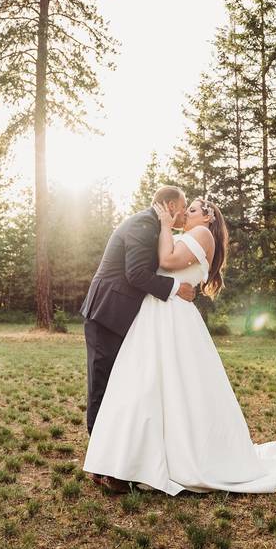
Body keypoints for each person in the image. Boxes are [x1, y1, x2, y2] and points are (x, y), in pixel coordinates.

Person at [82, 194, 276, 495]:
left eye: (192, 210)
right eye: (185, 208)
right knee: (135, 386)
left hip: (169, 319)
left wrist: (165, 228)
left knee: (160, 387)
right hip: (145, 316)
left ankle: (129, 462)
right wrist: (175, 279)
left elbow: (165, 261)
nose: (185, 214)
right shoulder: (160, 228)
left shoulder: (200, 234)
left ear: (208, 217)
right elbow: (145, 270)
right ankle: (115, 462)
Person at [79, 186, 197, 493]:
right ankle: (103, 467)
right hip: (107, 315)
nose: (184, 214)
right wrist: (175, 288)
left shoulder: (155, 227)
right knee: (102, 387)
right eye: (183, 208)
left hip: (122, 318)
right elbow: (136, 274)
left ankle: (115, 461)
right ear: (170, 205)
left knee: (121, 389)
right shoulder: (143, 225)